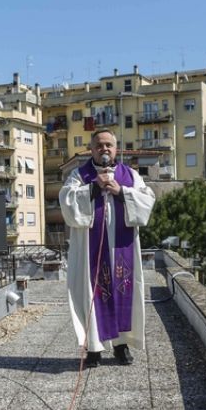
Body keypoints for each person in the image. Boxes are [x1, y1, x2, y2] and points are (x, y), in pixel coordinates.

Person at [59, 128, 155, 366]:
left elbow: (147, 200)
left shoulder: (130, 175)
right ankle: (93, 349)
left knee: (124, 290)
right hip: (91, 249)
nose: (104, 149)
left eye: (108, 145)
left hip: (123, 249)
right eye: (99, 145)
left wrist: (121, 191)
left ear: (116, 149)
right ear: (91, 149)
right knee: (91, 293)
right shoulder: (80, 176)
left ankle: (121, 347)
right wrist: (92, 189)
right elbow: (66, 200)